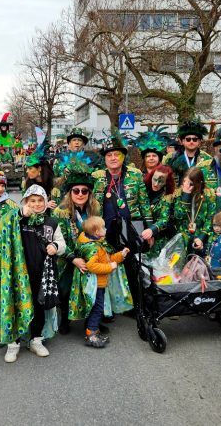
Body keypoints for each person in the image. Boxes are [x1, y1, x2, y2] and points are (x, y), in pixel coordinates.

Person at [0, 184, 67, 363]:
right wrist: (20, 214)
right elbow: (2, 225)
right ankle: (13, 344)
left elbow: (62, 243)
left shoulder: (52, 222)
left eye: (40, 200)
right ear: (26, 202)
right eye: (32, 201)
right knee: (14, 304)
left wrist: (55, 246)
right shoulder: (17, 219)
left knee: (38, 306)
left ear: (46, 202)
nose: (36, 204)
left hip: (42, 273)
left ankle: (36, 340)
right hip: (18, 273)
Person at [91, 132, 153, 310]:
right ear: (104, 159)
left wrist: (149, 230)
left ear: (123, 156)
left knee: (133, 267)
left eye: (116, 154)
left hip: (131, 228)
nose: (112, 158)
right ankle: (107, 309)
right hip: (105, 230)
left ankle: (138, 306)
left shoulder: (135, 175)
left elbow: (144, 204)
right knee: (107, 267)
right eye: (108, 155)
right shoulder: (96, 176)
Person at [53, 152, 100, 334]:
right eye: (76, 191)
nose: (80, 194)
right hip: (67, 259)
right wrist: (74, 259)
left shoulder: (95, 209)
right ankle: (64, 318)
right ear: (69, 192)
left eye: (84, 191)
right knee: (65, 288)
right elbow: (58, 240)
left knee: (93, 289)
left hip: (89, 257)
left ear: (89, 193)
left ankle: (92, 320)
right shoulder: (60, 212)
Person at [77, 216, 130, 348]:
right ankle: (91, 333)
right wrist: (109, 267)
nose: (106, 229)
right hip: (96, 285)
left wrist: (120, 255)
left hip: (100, 283)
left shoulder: (99, 243)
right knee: (98, 309)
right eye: (104, 227)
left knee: (97, 308)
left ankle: (94, 330)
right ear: (96, 232)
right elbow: (92, 266)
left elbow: (108, 258)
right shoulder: (93, 248)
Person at [174, 167, 217, 255]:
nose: (187, 185)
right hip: (183, 236)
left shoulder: (208, 195)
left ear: (199, 183)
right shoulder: (178, 194)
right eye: (185, 181)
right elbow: (178, 216)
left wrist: (201, 237)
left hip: (201, 234)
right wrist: (185, 196)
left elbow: (210, 219)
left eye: (191, 183)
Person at [143, 164, 177, 258]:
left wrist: (152, 230)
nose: (156, 184)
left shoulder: (167, 196)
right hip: (140, 233)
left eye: (161, 181)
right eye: (154, 179)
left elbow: (164, 219)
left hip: (159, 239)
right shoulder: (143, 189)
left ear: (166, 182)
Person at [163, 119, 212, 184]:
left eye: (195, 139)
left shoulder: (208, 159)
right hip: (177, 192)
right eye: (188, 139)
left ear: (199, 142)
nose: (191, 142)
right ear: (182, 141)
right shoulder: (170, 158)